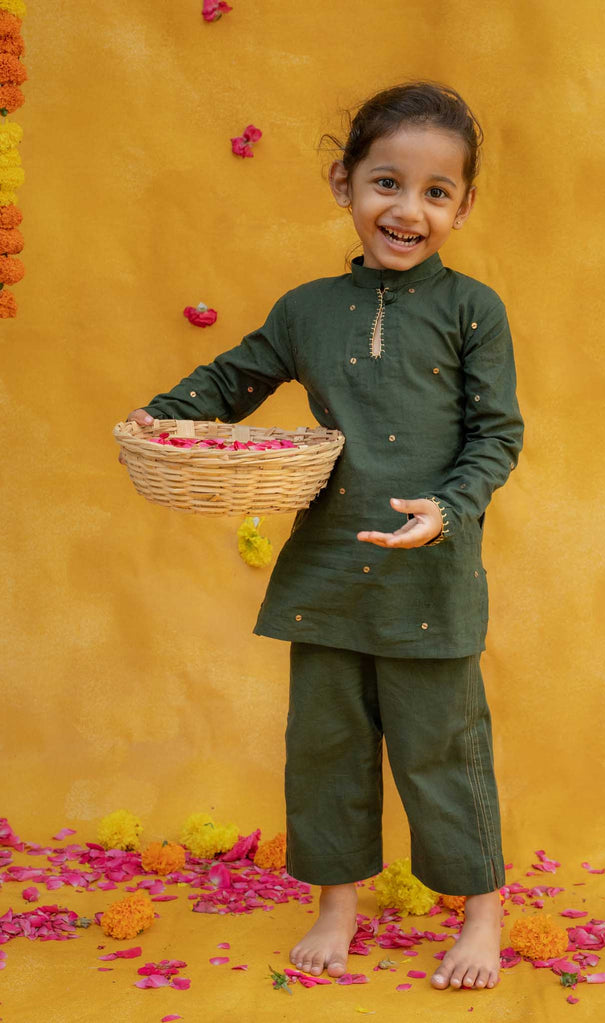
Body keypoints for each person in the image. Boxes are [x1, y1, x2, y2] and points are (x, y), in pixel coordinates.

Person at [121, 81, 524, 991]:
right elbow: (232, 380)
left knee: (443, 749)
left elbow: (496, 435)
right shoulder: (305, 309)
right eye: (386, 182)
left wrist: (448, 508)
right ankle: (337, 904)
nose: (407, 209)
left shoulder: (473, 309)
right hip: (328, 573)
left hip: (431, 576)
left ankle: (481, 914)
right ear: (344, 183)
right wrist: (162, 418)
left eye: (435, 192)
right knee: (326, 749)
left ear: (462, 206)